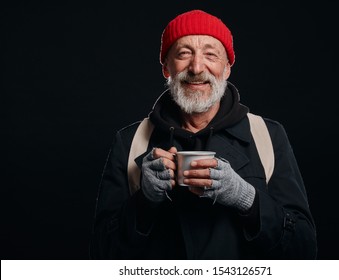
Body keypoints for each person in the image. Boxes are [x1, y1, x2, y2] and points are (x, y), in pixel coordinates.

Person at [90, 9, 317, 259]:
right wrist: (145, 200)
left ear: (227, 68)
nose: (197, 68)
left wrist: (245, 198)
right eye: (184, 53)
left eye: (210, 54)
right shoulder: (130, 141)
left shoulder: (268, 136)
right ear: (166, 67)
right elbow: (102, 254)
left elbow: (303, 249)